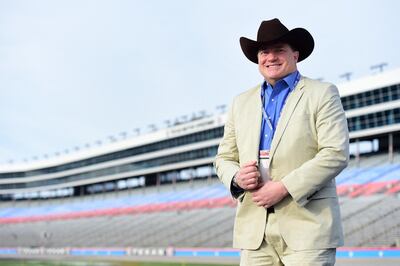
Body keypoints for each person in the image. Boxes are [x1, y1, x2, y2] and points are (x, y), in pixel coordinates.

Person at [214, 18, 349, 266]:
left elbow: (335, 152)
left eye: (279, 50)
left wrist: (284, 187)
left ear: (295, 55)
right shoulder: (240, 102)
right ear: (258, 59)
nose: (271, 57)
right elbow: (223, 158)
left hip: (307, 227)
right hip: (255, 232)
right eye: (264, 52)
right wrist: (236, 178)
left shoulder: (322, 93)